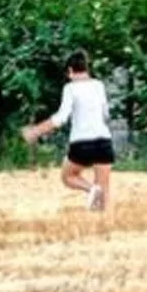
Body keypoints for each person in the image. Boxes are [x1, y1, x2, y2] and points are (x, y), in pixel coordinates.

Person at [22, 50, 113, 212]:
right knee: (104, 192)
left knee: (68, 176)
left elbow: (60, 119)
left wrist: (36, 131)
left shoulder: (71, 88)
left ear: (70, 70)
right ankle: (102, 221)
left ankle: (91, 189)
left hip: (82, 143)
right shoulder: (99, 86)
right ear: (87, 68)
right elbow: (105, 114)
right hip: (104, 142)